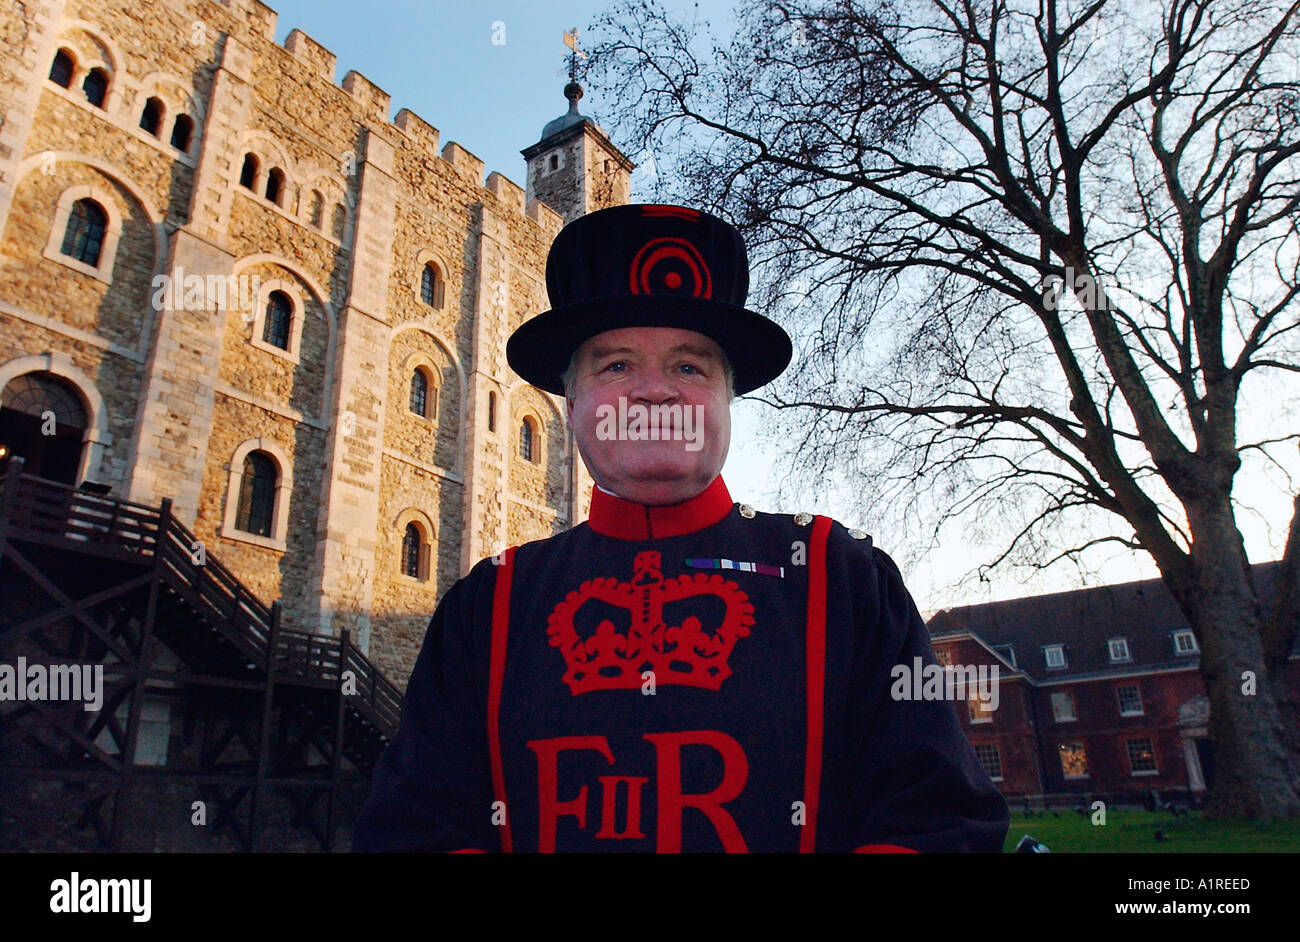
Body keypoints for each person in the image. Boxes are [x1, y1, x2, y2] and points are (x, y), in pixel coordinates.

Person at [353, 203, 1009, 852]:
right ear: (572, 403)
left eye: (689, 366)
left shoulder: (842, 578)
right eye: (616, 365)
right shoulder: (487, 606)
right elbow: (412, 832)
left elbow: (941, 825)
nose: (655, 392)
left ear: (726, 398)